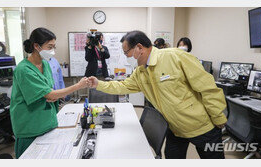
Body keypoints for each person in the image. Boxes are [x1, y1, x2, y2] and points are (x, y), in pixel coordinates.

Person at [87, 30, 227, 159]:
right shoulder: (140, 71)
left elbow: (207, 87)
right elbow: (122, 86)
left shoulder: (175, 56)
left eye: (126, 53)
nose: (126, 57)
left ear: (139, 48)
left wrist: (218, 117)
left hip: (201, 126)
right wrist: (98, 84)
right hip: (175, 128)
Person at [10, 28, 88, 158]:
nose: (53, 51)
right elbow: (49, 94)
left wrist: (50, 95)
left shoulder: (45, 65)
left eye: (54, 47)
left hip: (47, 122)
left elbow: (49, 91)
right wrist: (78, 86)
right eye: (49, 47)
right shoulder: (23, 70)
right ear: (36, 46)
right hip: (30, 125)